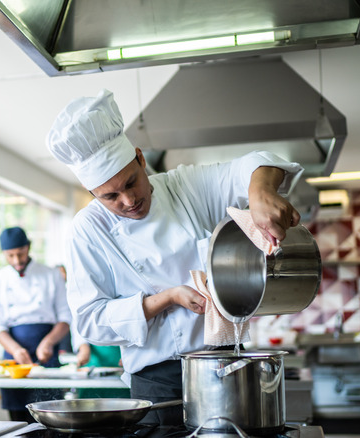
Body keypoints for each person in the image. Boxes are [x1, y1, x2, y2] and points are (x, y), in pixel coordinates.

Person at [46, 89, 304, 425]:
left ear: (140, 159)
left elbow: (256, 163)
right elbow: (89, 321)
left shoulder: (184, 186)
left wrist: (260, 192)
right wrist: (165, 299)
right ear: (93, 194)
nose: (128, 200)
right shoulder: (87, 230)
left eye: (131, 182)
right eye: (110, 196)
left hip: (225, 363)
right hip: (156, 380)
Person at [0, 226, 72, 422]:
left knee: (51, 419)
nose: (17, 261)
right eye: (10, 256)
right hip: (13, 358)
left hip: (47, 355)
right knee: (17, 421)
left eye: (21, 254)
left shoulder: (52, 275)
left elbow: (65, 318)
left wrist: (48, 342)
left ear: (29, 247)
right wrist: (16, 350)